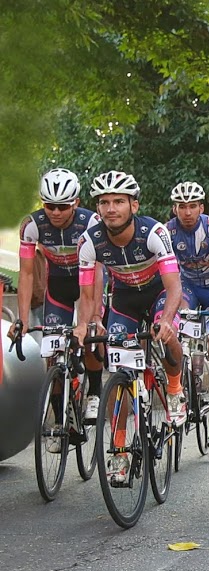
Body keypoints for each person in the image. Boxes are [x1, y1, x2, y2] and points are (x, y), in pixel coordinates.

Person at [74, 171, 185, 483]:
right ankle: (120, 451)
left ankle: (175, 389)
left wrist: (165, 320)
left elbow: (175, 288)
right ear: (98, 209)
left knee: (168, 335)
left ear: (133, 206)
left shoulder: (154, 233)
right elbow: (85, 293)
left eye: (118, 202)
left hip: (159, 292)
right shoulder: (89, 241)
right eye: (104, 202)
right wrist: (85, 325)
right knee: (122, 375)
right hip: (124, 298)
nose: (111, 208)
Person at [11, 169, 105, 444]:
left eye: (62, 206)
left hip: (89, 280)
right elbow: (27, 273)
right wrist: (23, 318)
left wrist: (94, 315)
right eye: (49, 205)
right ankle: (59, 422)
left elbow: (97, 271)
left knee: (89, 334)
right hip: (59, 285)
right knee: (53, 351)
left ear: (75, 202)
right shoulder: (32, 226)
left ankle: (95, 391)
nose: (55, 212)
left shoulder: (92, 223)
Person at [166, 181, 209, 446]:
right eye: (182, 207)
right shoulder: (168, 231)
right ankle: (179, 389)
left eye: (193, 206)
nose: (187, 212)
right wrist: (178, 308)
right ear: (175, 209)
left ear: (201, 207)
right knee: (176, 334)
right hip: (188, 287)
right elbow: (168, 273)